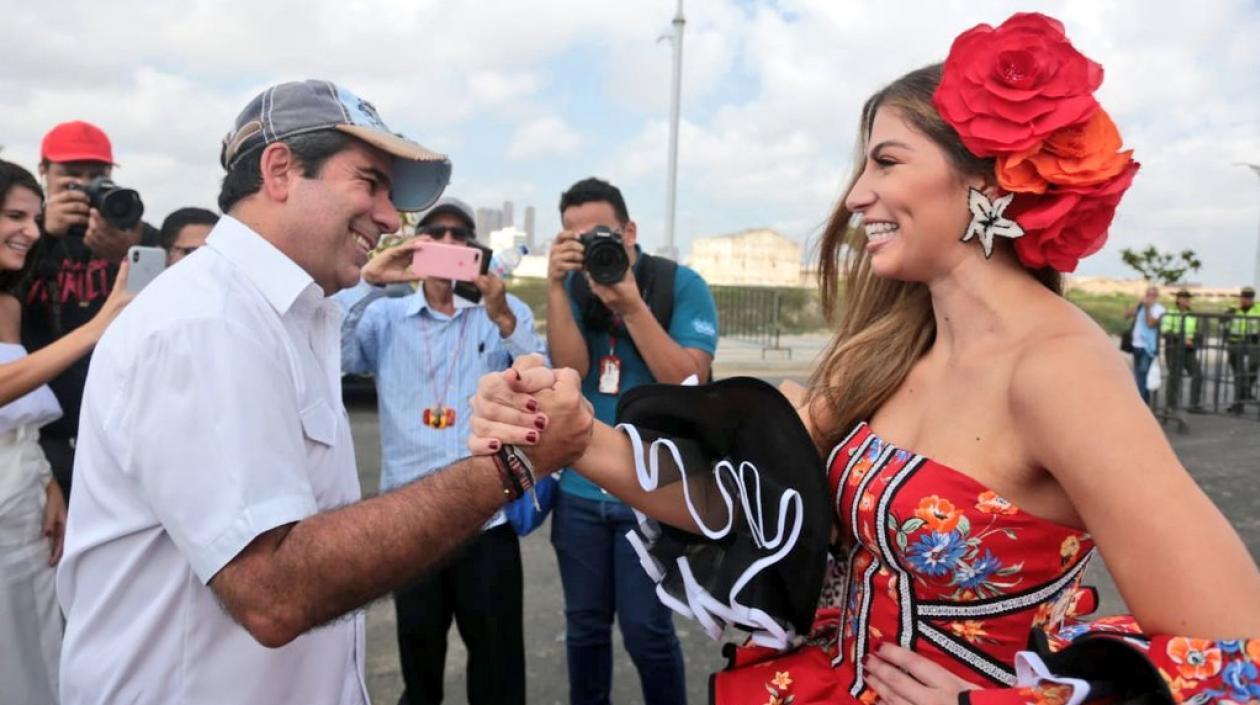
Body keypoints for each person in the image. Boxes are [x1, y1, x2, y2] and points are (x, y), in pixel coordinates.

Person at [468, 13, 1260, 705]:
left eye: (885, 162)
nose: (854, 196)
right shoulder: (883, 351)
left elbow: (1238, 653)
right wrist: (578, 438)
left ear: (986, 177)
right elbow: (743, 500)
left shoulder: (1059, 367)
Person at [56, 80, 593, 705]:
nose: (394, 220)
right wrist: (515, 463)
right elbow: (274, 591)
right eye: (370, 183)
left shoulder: (294, 316)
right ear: (280, 169)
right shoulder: (207, 324)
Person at [337, 196, 545, 705]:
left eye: (460, 236)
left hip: (486, 516)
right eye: (437, 234)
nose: (449, 244)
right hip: (412, 520)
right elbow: (330, 349)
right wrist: (370, 278)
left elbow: (541, 378)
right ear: (418, 244)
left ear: (475, 250)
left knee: (497, 664)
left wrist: (502, 316)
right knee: (419, 654)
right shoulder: (386, 317)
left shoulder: (501, 312)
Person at [545, 176, 718, 705]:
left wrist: (632, 305)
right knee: (585, 630)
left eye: (598, 233)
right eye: (573, 236)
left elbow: (689, 382)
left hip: (653, 493)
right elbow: (570, 370)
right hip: (581, 490)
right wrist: (555, 287)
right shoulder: (573, 288)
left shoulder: (677, 284)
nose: (589, 245)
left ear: (629, 230)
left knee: (648, 632)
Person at [0, 159, 132, 705]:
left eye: (33, 218)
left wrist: (46, 483)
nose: (29, 231)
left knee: (35, 649)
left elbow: (15, 414)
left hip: (24, 505)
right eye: (13, 216)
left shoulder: (8, 299)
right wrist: (100, 327)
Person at [22, 121, 145, 497]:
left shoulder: (137, 236)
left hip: (116, 427)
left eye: (97, 176)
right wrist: (43, 233)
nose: (86, 186)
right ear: (44, 171)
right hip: (39, 429)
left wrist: (124, 254)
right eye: (71, 176)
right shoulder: (20, 236)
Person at [1161, 289, 1204, 413]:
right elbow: (1166, 332)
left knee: (1197, 374)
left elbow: (1198, 333)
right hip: (1174, 349)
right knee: (1174, 377)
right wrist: (1182, 339)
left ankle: (1194, 405)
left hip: (1189, 350)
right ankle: (1170, 406)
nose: (1187, 300)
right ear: (1178, 300)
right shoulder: (1170, 313)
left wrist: (1195, 341)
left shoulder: (1192, 315)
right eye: (1184, 298)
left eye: (1188, 298)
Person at [1124, 285, 1164, 404]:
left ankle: (1141, 403)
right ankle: (1143, 403)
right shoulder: (1140, 307)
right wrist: (1138, 304)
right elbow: (1126, 315)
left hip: (1148, 348)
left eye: (1152, 295)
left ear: (1156, 297)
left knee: (1143, 376)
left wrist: (1147, 309)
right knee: (1139, 376)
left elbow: (1150, 323)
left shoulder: (1159, 309)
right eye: (1148, 295)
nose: (1150, 297)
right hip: (1136, 346)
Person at [1225, 285, 1259, 414]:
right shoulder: (1234, 309)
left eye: (1249, 298)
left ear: (1252, 299)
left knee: (1253, 366)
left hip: (1253, 342)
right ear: (1241, 298)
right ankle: (1238, 405)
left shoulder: (1258, 309)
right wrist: (1229, 313)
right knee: (1238, 374)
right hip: (1235, 343)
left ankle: (1245, 391)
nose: (1246, 300)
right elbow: (1222, 322)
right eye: (1244, 297)